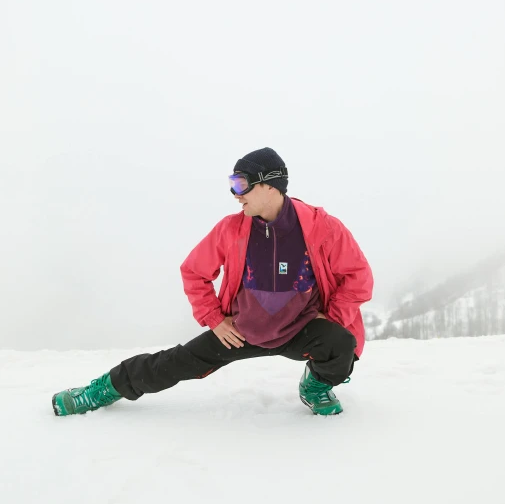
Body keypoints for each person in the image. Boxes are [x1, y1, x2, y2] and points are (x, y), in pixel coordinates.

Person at [52, 147, 373, 418]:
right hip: (243, 331)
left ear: (270, 185)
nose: (236, 195)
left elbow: (358, 276)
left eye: (241, 183)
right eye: (233, 184)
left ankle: (315, 385)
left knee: (341, 345)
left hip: (301, 329)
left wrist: (331, 317)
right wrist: (215, 319)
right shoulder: (231, 230)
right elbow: (194, 271)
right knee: (174, 363)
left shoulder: (322, 228)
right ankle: (103, 390)